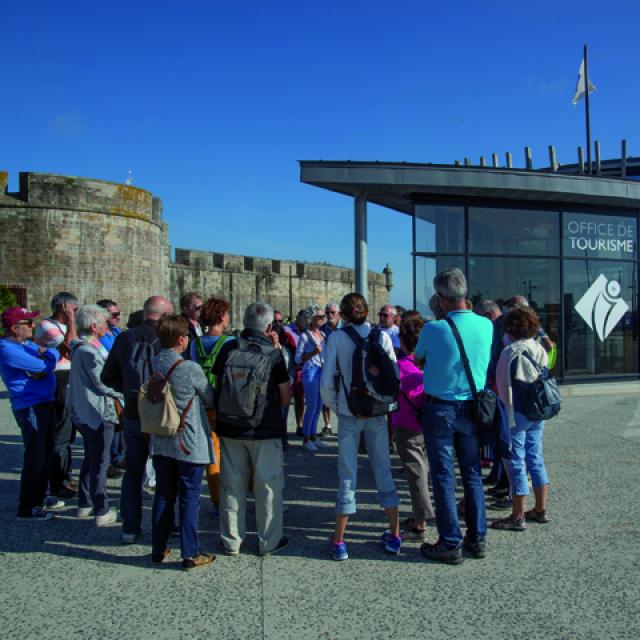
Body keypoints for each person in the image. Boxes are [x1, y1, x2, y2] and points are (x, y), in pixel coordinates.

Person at [414, 268, 493, 564]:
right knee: (472, 474)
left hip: (441, 407)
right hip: (473, 406)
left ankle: (450, 542)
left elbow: (419, 358)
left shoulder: (434, 329)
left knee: (444, 477)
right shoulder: (486, 326)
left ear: (441, 298)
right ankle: (477, 537)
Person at [320, 293, 401, 561]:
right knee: (383, 469)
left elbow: (327, 380)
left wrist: (338, 405)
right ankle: (395, 535)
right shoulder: (383, 337)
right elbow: (394, 376)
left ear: (343, 315)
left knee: (347, 474)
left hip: (349, 412)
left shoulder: (337, 338)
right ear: (367, 312)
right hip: (377, 412)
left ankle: (339, 541)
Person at [214, 302, 291, 556]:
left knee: (231, 485)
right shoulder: (273, 353)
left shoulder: (228, 348)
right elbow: (284, 395)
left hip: (229, 426)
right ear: (269, 326)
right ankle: (269, 540)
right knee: (268, 485)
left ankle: (231, 540)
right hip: (264, 429)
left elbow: (219, 382)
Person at [101, 295, 174, 544]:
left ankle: (130, 528)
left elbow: (107, 376)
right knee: (165, 472)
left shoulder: (124, 338)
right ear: (163, 316)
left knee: (133, 472)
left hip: (133, 412)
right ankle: (166, 526)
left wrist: (132, 392)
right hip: (162, 414)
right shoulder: (168, 339)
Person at [150, 315, 216, 570]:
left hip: (161, 437)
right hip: (187, 439)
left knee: (164, 494)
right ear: (181, 340)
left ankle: (159, 547)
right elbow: (208, 397)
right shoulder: (189, 368)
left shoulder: (153, 362)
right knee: (190, 496)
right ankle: (190, 552)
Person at [492, 306, 551, 531]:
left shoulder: (509, 352)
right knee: (535, 456)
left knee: (516, 461)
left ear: (511, 329)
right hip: (537, 410)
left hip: (515, 412)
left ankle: (517, 515)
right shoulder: (539, 349)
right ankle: (540, 509)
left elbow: (501, 386)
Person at [0, 307, 62, 520]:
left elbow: (48, 355)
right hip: (30, 406)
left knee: (45, 452)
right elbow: (44, 366)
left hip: (44, 402)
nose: (32, 326)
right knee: (35, 456)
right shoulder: (8, 349)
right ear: (14, 328)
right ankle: (27, 507)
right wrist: (51, 354)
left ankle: (40, 496)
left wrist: (49, 354)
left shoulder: (25, 345)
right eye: (27, 323)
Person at [68, 305, 122, 527]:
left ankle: (85, 502)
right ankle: (102, 509)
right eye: (103, 323)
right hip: (96, 411)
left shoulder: (80, 347)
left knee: (91, 458)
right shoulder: (88, 351)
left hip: (84, 410)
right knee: (100, 460)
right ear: (93, 326)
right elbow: (102, 382)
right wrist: (123, 393)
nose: (106, 327)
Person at [392, 312, 436, 541]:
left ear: (402, 340)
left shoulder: (399, 367)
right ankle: (421, 515)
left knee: (415, 474)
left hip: (406, 424)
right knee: (424, 470)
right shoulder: (430, 364)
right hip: (427, 423)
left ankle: (420, 521)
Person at [34, 292, 79, 499]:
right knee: (61, 433)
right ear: (63, 307)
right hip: (59, 378)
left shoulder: (64, 326)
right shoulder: (47, 326)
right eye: (73, 310)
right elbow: (70, 348)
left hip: (69, 376)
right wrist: (70, 321)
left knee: (68, 432)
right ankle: (57, 482)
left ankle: (65, 474)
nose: (75, 314)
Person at [191, 297, 233, 516]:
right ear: (220, 316)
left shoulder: (194, 343)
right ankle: (232, 495)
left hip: (202, 403)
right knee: (231, 453)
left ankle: (217, 501)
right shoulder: (229, 342)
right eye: (226, 313)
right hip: (224, 403)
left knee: (212, 454)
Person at [97, 299, 125, 476]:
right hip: (107, 383)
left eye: (118, 314)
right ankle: (107, 462)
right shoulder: (99, 337)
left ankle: (117, 456)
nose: (118, 318)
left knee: (118, 423)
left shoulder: (116, 332)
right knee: (109, 425)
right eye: (114, 315)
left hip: (119, 382)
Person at [295, 306, 329, 452]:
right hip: (310, 371)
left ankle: (313, 436)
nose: (322, 319)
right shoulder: (304, 336)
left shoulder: (323, 334)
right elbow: (297, 359)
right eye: (319, 317)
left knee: (319, 405)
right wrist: (313, 352)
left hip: (322, 371)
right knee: (312, 406)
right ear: (311, 318)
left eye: (323, 317)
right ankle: (306, 438)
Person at [284, 309, 309, 436]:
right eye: (304, 318)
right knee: (286, 399)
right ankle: (282, 427)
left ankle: (300, 425)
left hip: (303, 369)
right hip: (290, 369)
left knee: (299, 399)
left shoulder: (308, 333)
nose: (305, 321)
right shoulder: (287, 330)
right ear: (298, 318)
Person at [319, 302, 340, 438]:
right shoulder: (323, 329)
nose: (329, 315)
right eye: (327, 313)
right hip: (326, 367)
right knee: (325, 397)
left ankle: (342, 425)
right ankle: (327, 425)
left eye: (332, 312)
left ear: (338, 314)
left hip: (341, 369)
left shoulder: (344, 328)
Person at [180, 292, 203, 360]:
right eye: (198, 307)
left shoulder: (204, 322)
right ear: (186, 309)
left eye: (202, 307)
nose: (201, 310)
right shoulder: (179, 325)